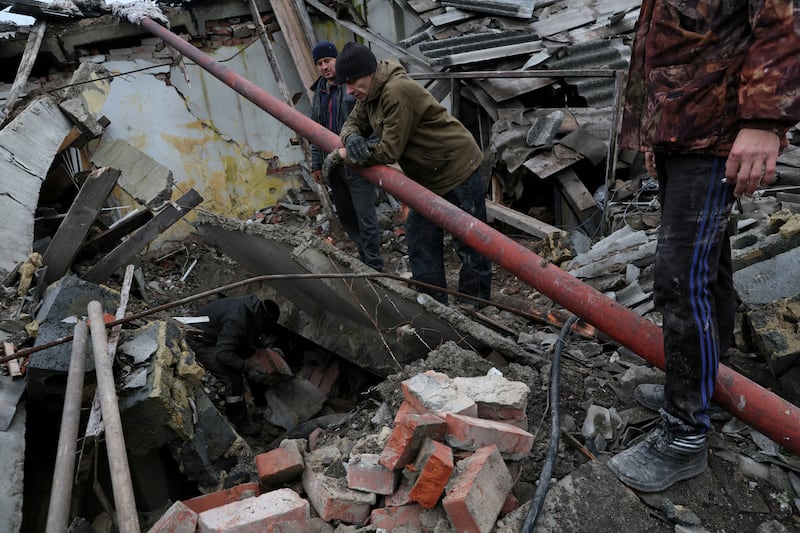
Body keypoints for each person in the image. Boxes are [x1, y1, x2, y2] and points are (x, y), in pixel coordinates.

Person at [607, 0, 800, 492]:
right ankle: (706, 386)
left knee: (678, 282)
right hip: (686, 133)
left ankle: (684, 434)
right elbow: (669, 47)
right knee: (705, 270)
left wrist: (764, 123)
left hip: (717, 135)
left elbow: (780, 26)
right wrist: (655, 132)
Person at [324, 41, 492, 306]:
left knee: (470, 241)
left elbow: (388, 151)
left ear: (369, 73)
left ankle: (476, 307)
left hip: (456, 166)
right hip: (427, 175)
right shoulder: (369, 94)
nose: (349, 90)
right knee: (420, 237)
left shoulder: (396, 92)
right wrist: (352, 137)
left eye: (352, 82)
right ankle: (434, 304)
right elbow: (351, 123)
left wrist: (347, 154)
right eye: (345, 84)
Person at [309, 40, 384, 271]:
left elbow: (371, 124)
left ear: (337, 60)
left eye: (328, 61)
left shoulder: (351, 87)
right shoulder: (319, 92)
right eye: (320, 63)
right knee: (347, 216)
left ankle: (374, 266)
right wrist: (316, 164)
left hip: (355, 162)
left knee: (366, 218)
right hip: (333, 166)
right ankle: (364, 258)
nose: (324, 67)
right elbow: (315, 130)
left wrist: (366, 150)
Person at [186, 294, 282, 436]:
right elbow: (222, 354)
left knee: (246, 355)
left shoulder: (252, 309)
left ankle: (259, 402)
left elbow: (245, 336)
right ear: (262, 321)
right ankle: (239, 421)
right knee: (232, 377)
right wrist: (247, 367)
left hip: (214, 335)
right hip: (200, 340)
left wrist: (264, 349)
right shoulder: (238, 319)